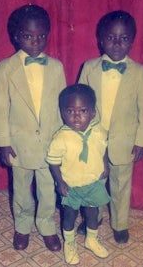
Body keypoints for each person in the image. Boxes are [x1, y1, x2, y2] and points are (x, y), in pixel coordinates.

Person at [0, 4, 66, 251]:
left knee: (48, 189)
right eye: (28, 36)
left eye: (41, 36)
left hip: (49, 143)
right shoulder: (5, 69)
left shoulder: (56, 67)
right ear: (16, 36)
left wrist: (64, 140)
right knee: (21, 188)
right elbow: (0, 109)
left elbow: (62, 106)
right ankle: (22, 226)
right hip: (19, 145)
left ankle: (46, 225)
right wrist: (3, 143)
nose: (35, 41)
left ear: (48, 34)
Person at [78, 10, 143, 243]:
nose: (117, 43)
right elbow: (78, 100)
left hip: (125, 142)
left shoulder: (140, 73)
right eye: (111, 37)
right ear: (100, 39)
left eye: (124, 38)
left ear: (132, 40)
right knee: (94, 182)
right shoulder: (89, 68)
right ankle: (94, 217)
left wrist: (142, 140)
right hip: (95, 140)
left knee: (121, 185)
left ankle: (120, 223)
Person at [46, 84, 110, 265]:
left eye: (83, 110)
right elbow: (53, 162)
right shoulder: (61, 138)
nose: (76, 116)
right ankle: (70, 243)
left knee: (92, 212)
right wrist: (60, 183)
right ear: (62, 113)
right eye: (70, 111)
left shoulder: (98, 130)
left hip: (93, 183)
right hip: (71, 186)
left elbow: (103, 148)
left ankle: (91, 239)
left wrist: (105, 164)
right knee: (69, 216)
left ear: (93, 112)